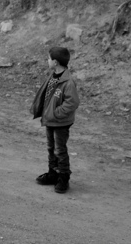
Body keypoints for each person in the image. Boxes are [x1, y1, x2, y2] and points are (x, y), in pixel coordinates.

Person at [30, 46, 80, 193]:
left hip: (60, 122)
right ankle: (53, 173)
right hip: (50, 120)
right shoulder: (53, 76)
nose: (47, 61)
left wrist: (56, 113)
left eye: (49, 58)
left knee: (60, 150)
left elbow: (72, 103)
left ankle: (63, 177)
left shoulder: (68, 82)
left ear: (56, 62)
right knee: (51, 148)